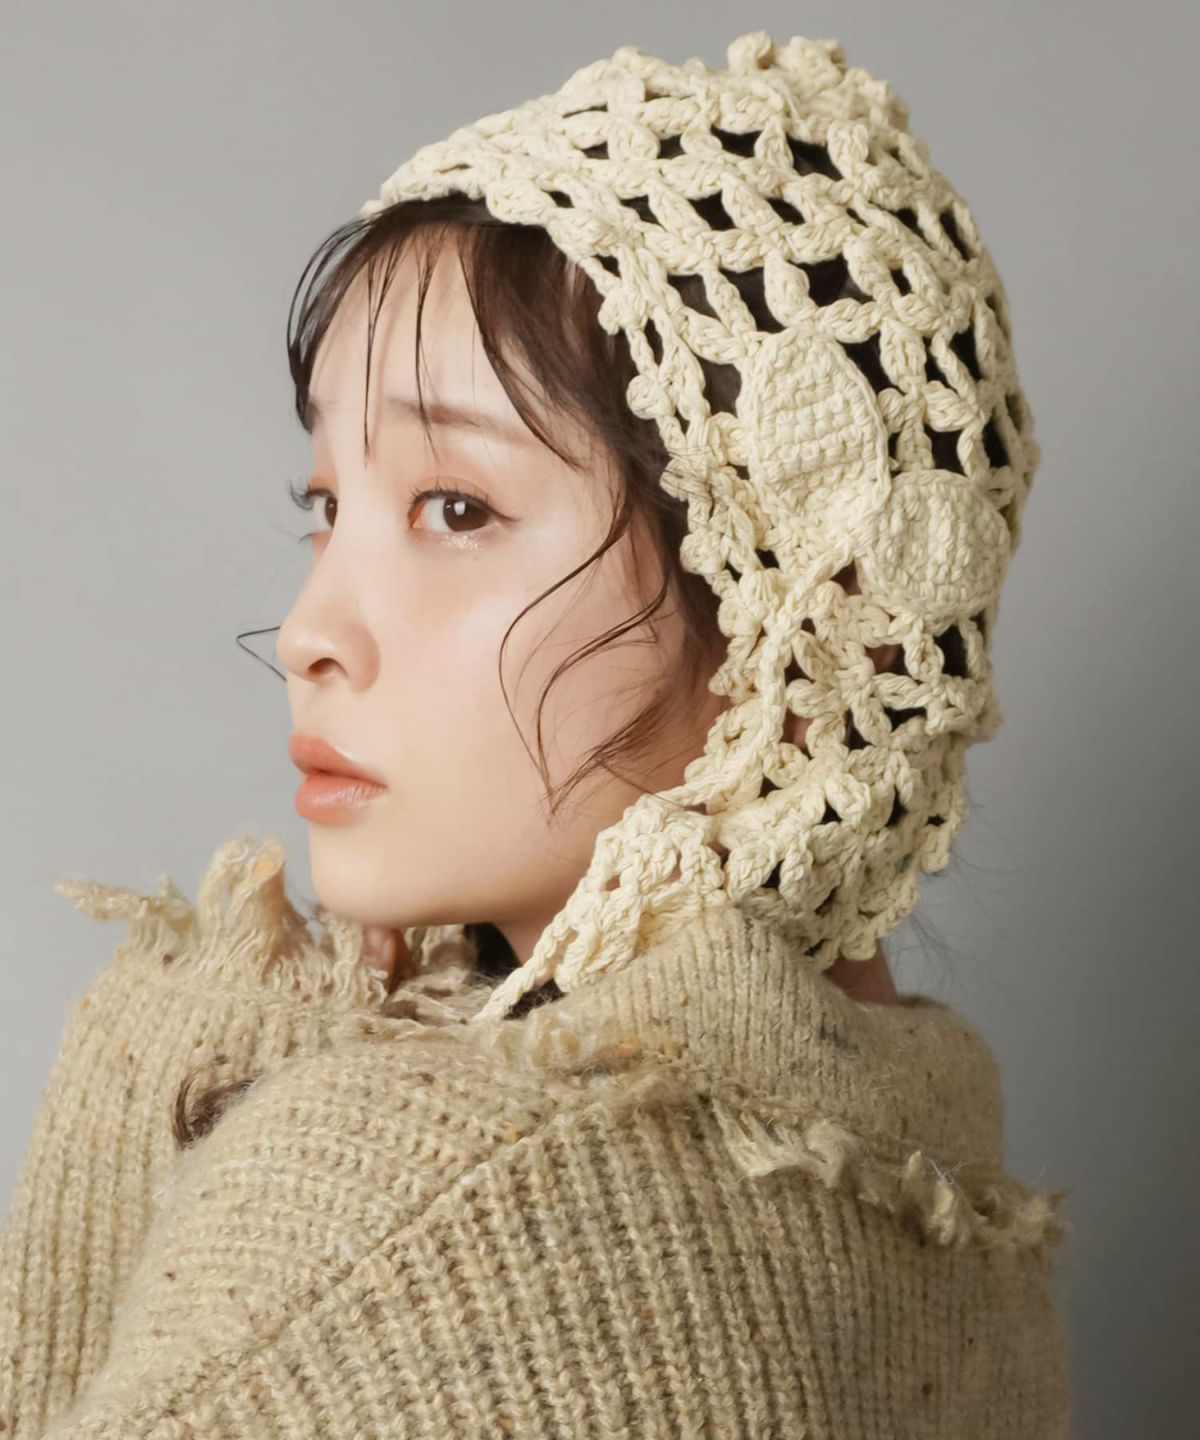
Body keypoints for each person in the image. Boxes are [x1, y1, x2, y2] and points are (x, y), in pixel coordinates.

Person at [0, 30, 1072, 1437]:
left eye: (457, 508)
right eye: (327, 506)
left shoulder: (394, 1207)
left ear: (807, 614)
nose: (311, 628)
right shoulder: (941, 1197)